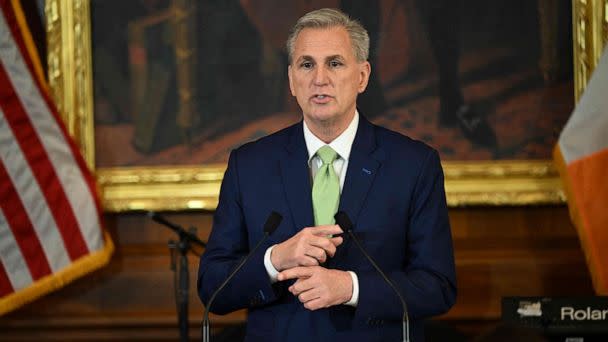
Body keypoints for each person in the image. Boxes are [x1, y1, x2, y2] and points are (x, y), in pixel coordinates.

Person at [198, 8, 456, 342]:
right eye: (307, 64)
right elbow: (212, 286)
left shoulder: (413, 165)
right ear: (292, 80)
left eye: (335, 63)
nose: (320, 78)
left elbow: (438, 287)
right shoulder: (249, 165)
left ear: (362, 76)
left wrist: (350, 287)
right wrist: (275, 260)